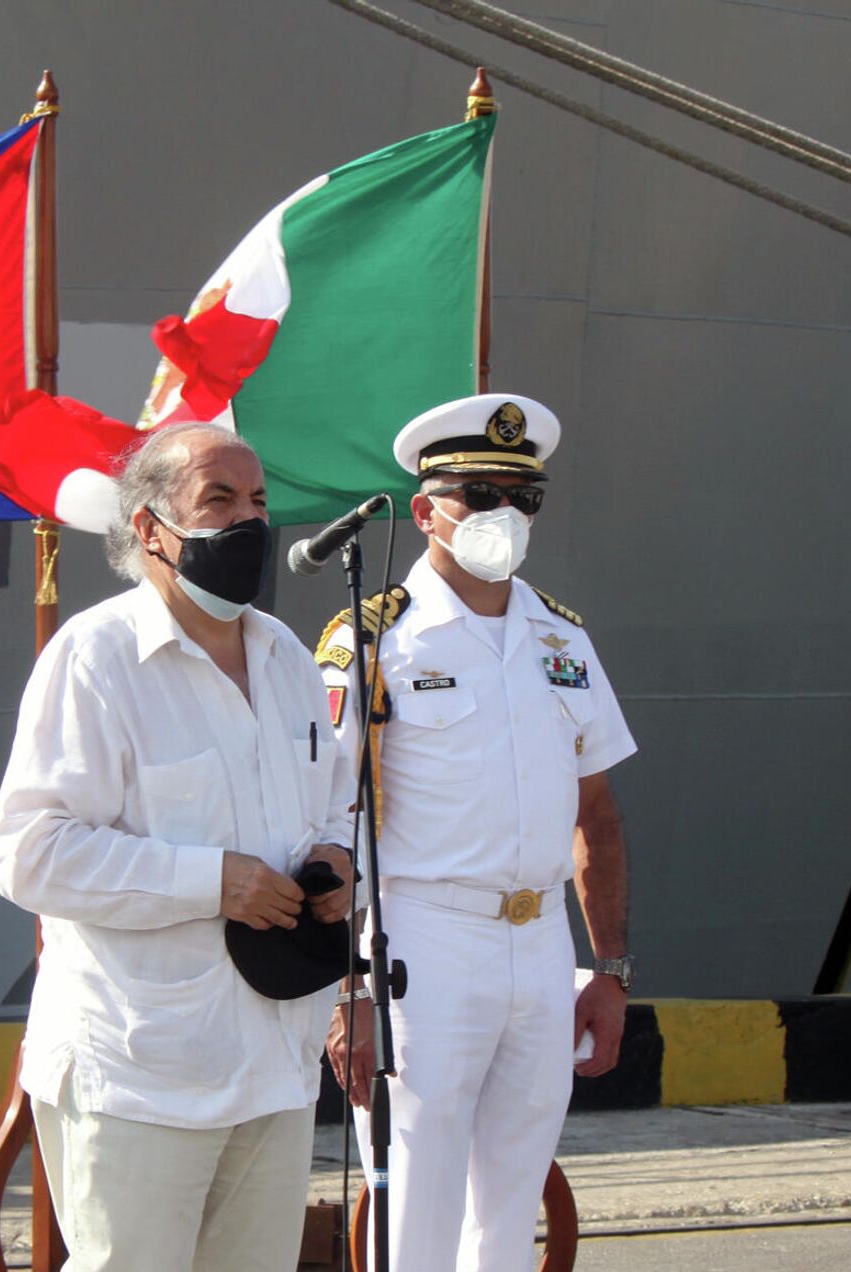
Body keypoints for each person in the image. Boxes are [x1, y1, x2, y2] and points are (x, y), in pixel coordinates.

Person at [0, 422, 356, 1271]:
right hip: (140, 1067)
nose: (248, 522)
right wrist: (211, 882)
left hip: (274, 1056)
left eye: (259, 501)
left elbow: (335, 806)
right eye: (218, 500)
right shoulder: (97, 656)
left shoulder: (288, 659)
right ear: (151, 528)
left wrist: (338, 864)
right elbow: (30, 851)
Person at [318, 393, 636, 1271]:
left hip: (540, 950)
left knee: (509, 1208)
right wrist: (346, 988)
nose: (506, 516)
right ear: (426, 512)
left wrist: (608, 970)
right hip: (424, 942)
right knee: (415, 1204)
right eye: (482, 496)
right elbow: (324, 824)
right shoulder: (375, 639)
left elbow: (596, 819)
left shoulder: (560, 637)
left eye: (523, 498)